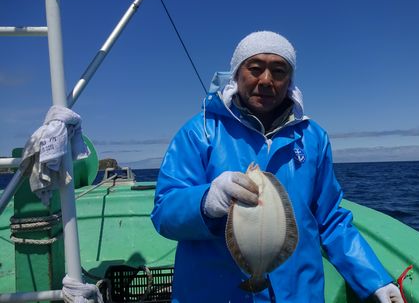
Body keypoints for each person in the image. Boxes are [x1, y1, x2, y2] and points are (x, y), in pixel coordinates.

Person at [151, 31, 404, 302]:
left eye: (279, 71)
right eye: (255, 68)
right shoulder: (200, 131)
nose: (266, 81)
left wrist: (375, 279)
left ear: (290, 80)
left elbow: (330, 218)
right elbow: (164, 212)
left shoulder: (313, 137)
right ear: (237, 74)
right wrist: (205, 201)